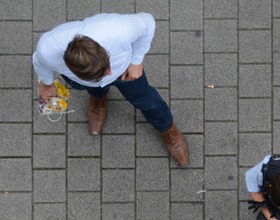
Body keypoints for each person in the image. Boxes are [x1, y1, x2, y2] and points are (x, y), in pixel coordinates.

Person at [33, 12, 188, 166]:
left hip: (126, 71)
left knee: (147, 101)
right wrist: (47, 84)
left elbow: (148, 23)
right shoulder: (47, 49)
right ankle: (98, 99)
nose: (110, 74)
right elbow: (39, 62)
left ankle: (168, 129)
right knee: (95, 89)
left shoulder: (117, 29)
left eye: (107, 67)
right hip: (84, 81)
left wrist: (136, 61)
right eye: (101, 75)